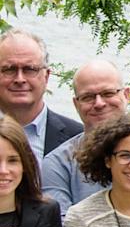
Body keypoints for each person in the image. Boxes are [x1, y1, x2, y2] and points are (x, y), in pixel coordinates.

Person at [40, 60, 130, 207]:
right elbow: (61, 226)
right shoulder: (58, 163)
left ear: (126, 95)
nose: (99, 103)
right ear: (76, 104)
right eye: (88, 97)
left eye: (108, 93)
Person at [0, 31, 77, 161]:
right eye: (9, 69)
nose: (20, 79)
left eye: (30, 69)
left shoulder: (76, 138)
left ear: (46, 76)